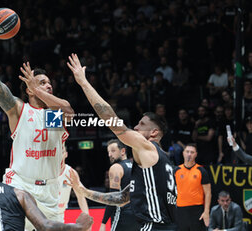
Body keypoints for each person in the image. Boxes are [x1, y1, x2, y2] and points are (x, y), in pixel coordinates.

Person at [67, 53, 177, 230]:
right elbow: (121, 198)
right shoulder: (162, 162)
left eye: (141, 124)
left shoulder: (148, 147)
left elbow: (112, 120)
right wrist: (85, 192)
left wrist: (84, 83)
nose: (135, 127)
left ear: (154, 132)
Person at [0, 17, 74, 230]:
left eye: (49, 83)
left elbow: (68, 111)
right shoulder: (20, 110)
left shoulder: (53, 114)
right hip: (20, 187)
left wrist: (39, 89)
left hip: (51, 192)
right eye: (42, 82)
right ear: (29, 90)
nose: (48, 85)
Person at [174, 144, 211, 230]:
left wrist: (206, 211)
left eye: (192, 152)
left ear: (196, 154)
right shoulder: (176, 170)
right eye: (187, 152)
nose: (189, 154)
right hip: (180, 210)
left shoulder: (201, 170)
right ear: (183, 153)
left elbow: (208, 193)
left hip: (197, 210)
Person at [99, 139, 133, 231]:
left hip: (122, 215)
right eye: (108, 152)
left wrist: (103, 222)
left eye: (113, 151)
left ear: (123, 151)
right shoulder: (135, 166)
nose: (110, 155)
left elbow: (113, 198)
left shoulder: (116, 168)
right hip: (138, 216)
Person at [57, 144, 89, 222]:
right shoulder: (45, 172)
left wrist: (87, 218)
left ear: (66, 154)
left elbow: (81, 196)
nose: (59, 154)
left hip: (60, 215)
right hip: (43, 216)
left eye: (62, 151)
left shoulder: (71, 173)